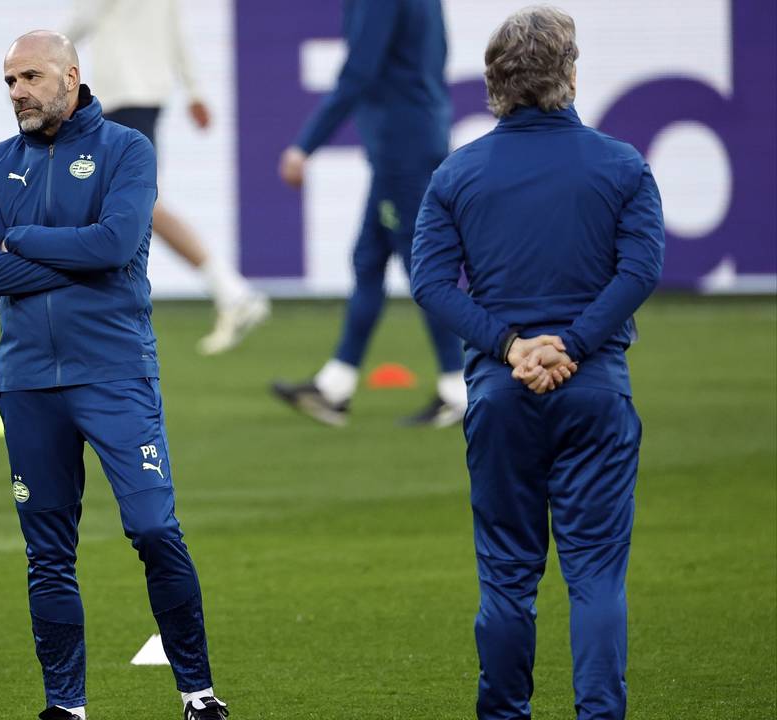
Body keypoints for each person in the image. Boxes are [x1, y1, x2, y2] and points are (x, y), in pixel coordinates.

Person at [0, 31, 227, 720]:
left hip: (114, 376)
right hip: (26, 384)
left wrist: (20, 240)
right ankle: (66, 708)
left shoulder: (126, 150)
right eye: (9, 79)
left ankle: (198, 693)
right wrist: (76, 258)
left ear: (71, 76)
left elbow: (113, 244)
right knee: (47, 553)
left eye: (30, 76)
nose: (17, 90)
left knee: (153, 530)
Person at [409, 7, 664, 718]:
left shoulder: (458, 173)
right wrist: (572, 345)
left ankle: (503, 713)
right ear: (571, 76)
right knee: (595, 579)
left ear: (494, 85)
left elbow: (429, 282)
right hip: (596, 392)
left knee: (507, 579)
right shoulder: (621, 166)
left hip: (500, 395)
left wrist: (512, 347)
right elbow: (641, 270)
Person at [271, 0, 466, 428]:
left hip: (402, 148)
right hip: (415, 135)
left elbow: (359, 71)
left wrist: (305, 144)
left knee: (424, 267)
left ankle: (459, 386)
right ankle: (335, 386)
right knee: (369, 259)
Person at [66, 0, 270, 355]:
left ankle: (231, 292)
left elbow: (76, 27)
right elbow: (176, 31)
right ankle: (228, 291)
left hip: (123, 95)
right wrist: (193, 90)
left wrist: (35, 60)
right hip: (148, 94)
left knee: (132, 204)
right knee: (123, 204)